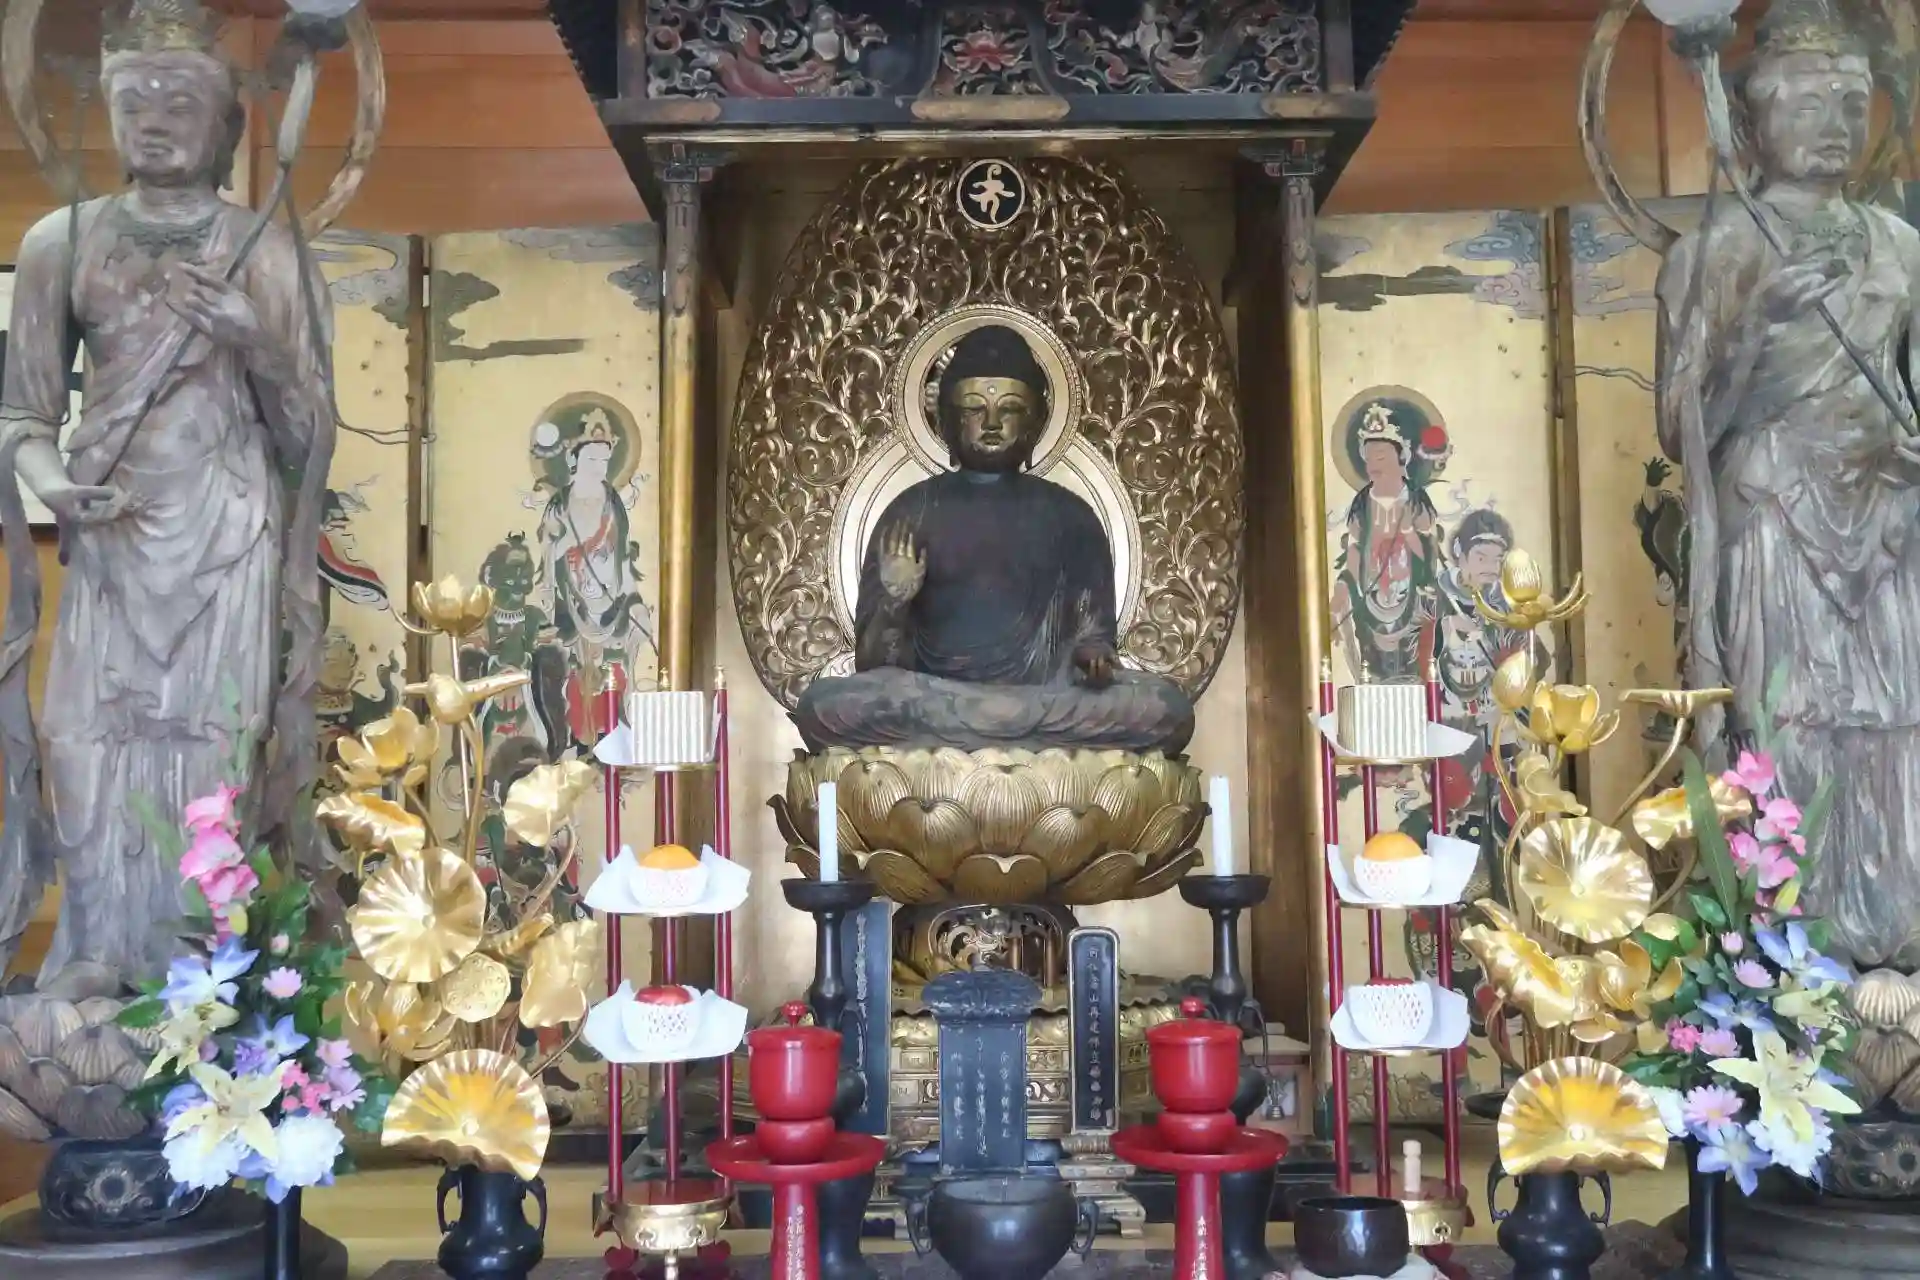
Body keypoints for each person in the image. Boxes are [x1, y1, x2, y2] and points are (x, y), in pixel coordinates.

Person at [0, 0, 334, 983]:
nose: (153, 119)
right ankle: (97, 953)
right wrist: (55, 486)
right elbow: (21, 415)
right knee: (88, 740)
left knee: (209, 745)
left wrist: (252, 337)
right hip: (111, 529)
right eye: (132, 99)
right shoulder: (61, 241)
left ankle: (200, 975)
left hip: (223, 527)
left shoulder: (263, 246)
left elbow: (309, 430)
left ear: (228, 124)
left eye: (180, 100)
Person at [1657, 0, 1920, 967]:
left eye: (1851, 104)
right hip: (1776, 515)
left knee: (1895, 729)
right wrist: (1756, 325)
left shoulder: (1901, 247)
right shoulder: (1715, 249)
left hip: (1887, 523)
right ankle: (1789, 960)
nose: (1835, 126)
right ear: (1753, 117)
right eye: (1807, 105)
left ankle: (1899, 943)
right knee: (1787, 724)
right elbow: (1682, 425)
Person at [793, 324, 1193, 752]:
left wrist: (1093, 657)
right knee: (823, 705)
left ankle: (966, 745)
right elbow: (874, 666)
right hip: (939, 699)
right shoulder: (911, 513)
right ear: (947, 419)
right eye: (973, 408)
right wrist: (893, 603)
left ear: (1035, 421)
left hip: (1041, 701)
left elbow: (1092, 638)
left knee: (1165, 708)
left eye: (1010, 409)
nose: (991, 423)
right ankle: (1026, 748)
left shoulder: (1072, 516)